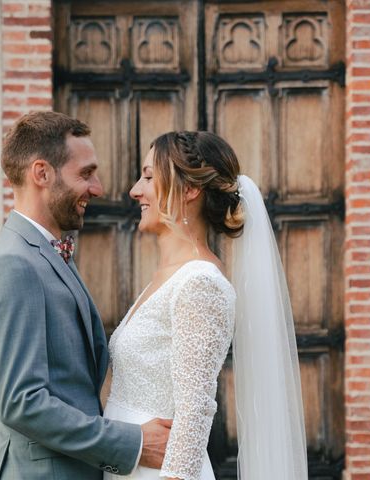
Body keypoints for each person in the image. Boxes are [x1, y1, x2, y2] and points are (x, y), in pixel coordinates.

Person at [0, 111, 172, 480]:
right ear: (42, 173)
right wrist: (135, 443)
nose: (97, 187)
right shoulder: (12, 265)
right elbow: (22, 403)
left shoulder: (50, 253)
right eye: (85, 173)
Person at [103, 131, 308, 479]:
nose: (135, 190)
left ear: (189, 190)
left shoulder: (201, 283)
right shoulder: (168, 277)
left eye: (150, 176)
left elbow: (194, 411)